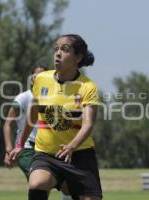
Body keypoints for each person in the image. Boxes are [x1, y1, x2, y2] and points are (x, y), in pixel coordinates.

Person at [8, 34, 102, 200]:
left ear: (78, 58)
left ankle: (67, 184)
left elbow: (88, 125)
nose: (58, 53)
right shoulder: (41, 79)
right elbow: (32, 116)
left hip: (79, 155)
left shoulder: (88, 87)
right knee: (37, 184)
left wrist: (71, 147)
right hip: (46, 154)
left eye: (64, 50)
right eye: (56, 49)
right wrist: (20, 145)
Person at [3, 64, 73, 200]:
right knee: (40, 186)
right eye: (36, 75)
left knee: (68, 186)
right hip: (27, 149)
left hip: (48, 149)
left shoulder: (53, 97)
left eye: (43, 75)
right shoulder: (23, 98)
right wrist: (8, 149)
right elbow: (7, 124)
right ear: (31, 79)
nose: (39, 78)